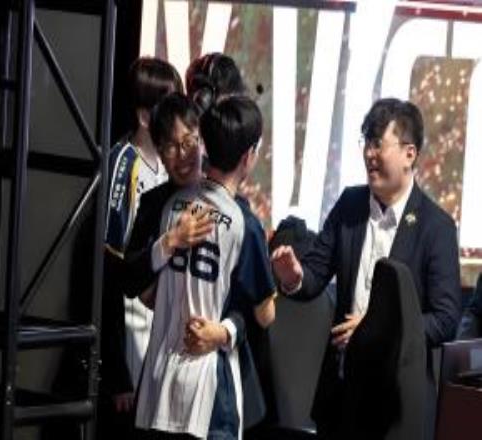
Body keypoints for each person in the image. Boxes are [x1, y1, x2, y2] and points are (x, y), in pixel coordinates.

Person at [271, 98, 462, 440]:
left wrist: (378, 328)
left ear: (409, 154)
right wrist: (294, 278)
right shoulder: (350, 204)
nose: (369, 154)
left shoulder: (437, 227)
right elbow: (314, 275)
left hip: (398, 405)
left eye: (379, 144)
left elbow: (446, 319)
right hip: (341, 395)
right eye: (367, 143)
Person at [135, 95, 276, 440]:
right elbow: (264, 314)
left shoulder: (171, 206)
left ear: (204, 143)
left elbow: (149, 296)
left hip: (160, 380)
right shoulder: (243, 222)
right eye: (171, 145)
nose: (181, 153)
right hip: (210, 391)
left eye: (188, 142)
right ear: (248, 157)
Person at [101, 56, 183, 438]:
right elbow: (108, 270)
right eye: (170, 106)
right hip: (131, 338)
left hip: (162, 336)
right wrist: (118, 372)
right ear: (145, 116)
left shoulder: (170, 165)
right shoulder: (124, 165)